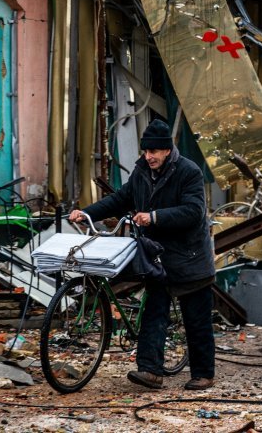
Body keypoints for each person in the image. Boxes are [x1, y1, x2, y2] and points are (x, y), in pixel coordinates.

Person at [69, 119, 216, 390]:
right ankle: (150, 371)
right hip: (158, 257)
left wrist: (155, 217)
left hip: (189, 256)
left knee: (196, 318)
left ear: (168, 151)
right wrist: (87, 212)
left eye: (154, 152)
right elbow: (119, 199)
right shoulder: (141, 173)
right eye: (145, 151)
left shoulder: (188, 172)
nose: (149, 156)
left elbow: (194, 211)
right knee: (154, 311)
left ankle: (204, 373)